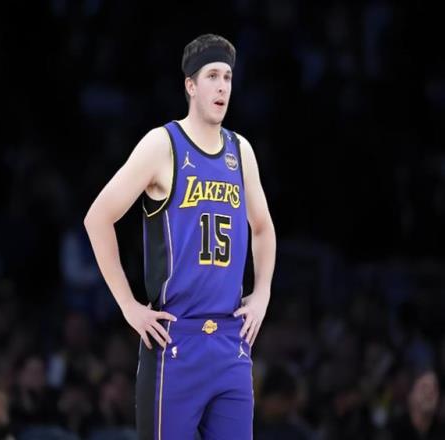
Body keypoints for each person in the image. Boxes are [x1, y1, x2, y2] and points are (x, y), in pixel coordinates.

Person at [84, 33, 276, 439]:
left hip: (231, 341)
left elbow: (262, 227)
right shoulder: (163, 144)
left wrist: (262, 293)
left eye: (227, 77)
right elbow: (97, 218)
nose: (222, 86)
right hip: (176, 339)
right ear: (191, 85)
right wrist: (128, 306)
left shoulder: (240, 150)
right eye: (212, 76)